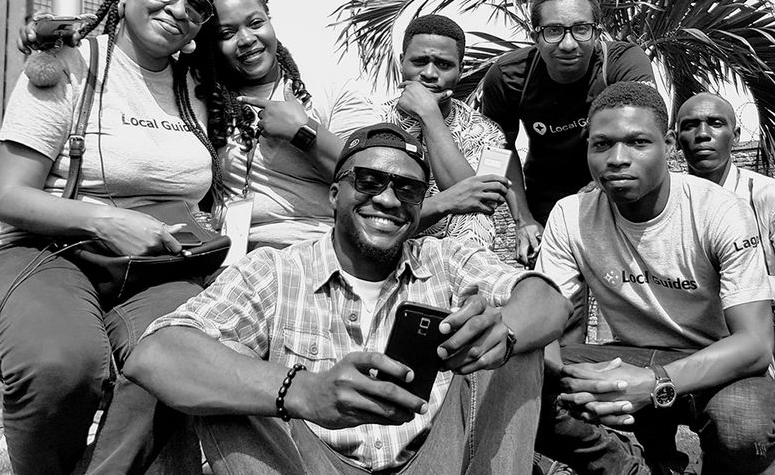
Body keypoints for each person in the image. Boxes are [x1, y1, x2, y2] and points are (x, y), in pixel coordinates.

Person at [124, 122, 573, 474]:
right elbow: (154, 354)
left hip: (439, 461)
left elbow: (548, 299)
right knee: (221, 366)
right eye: (370, 181)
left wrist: (504, 332)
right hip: (307, 464)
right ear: (335, 194)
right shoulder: (274, 270)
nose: (388, 199)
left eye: (408, 189)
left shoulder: (448, 259)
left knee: (516, 346)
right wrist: (300, 391)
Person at [0, 0, 222, 475]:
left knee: (180, 362)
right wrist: (106, 219)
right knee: (63, 364)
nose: (180, 9)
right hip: (39, 254)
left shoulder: (200, 92)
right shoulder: (70, 64)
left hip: (153, 272)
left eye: (198, 3)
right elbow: (9, 197)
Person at [534, 82, 775, 474]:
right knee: (516, 376)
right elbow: (545, 325)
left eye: (637, 143)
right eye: (601, 145)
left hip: (716, 362)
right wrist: (576, 377)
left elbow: (754, 345)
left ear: (667, 145)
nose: (617, 159)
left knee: (743, 429)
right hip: (625, 354)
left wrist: (653, 382)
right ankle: (630, 468)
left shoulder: (719, 211)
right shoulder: (571, 215)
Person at [675, 92, 775, 443]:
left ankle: (767, 437)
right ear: (675, 139)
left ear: (736, 135)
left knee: (751, 428)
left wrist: (755, 289)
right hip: (695, 335)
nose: (702, 134)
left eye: (715, 123)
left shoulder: (766, 194)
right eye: (690, 126)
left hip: (772, 333)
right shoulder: (667, 198)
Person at [198, 0, 380, 250]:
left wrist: (303, 132)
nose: (246, 39)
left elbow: (373, 175)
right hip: (232, 255)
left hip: (317, 247)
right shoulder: (205, 99)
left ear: (270, 21)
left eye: (255, 23)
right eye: (227, 33)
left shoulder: (330, 89)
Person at [480, 0, 656, 266]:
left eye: (581, 29)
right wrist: (523, 220)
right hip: (546, 200)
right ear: (534, 36)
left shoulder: (622, 62)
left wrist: (599, 188)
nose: (568, 44)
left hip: (617, 188)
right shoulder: (507, 77)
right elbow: (499, 149)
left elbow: (649, 126)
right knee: (552, 296)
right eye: (553, 31)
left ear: (597, 32)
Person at [384, 14, 511, 247]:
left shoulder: (487, 132)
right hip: (385, 240)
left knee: (475, 216)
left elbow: (480, 202)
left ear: (460, 70)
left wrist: (429, 115)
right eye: (420, 61)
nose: (430, 73)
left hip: (453, 255)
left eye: (444, 64)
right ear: (402, 61)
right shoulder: (374, 118)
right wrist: (448, 201)